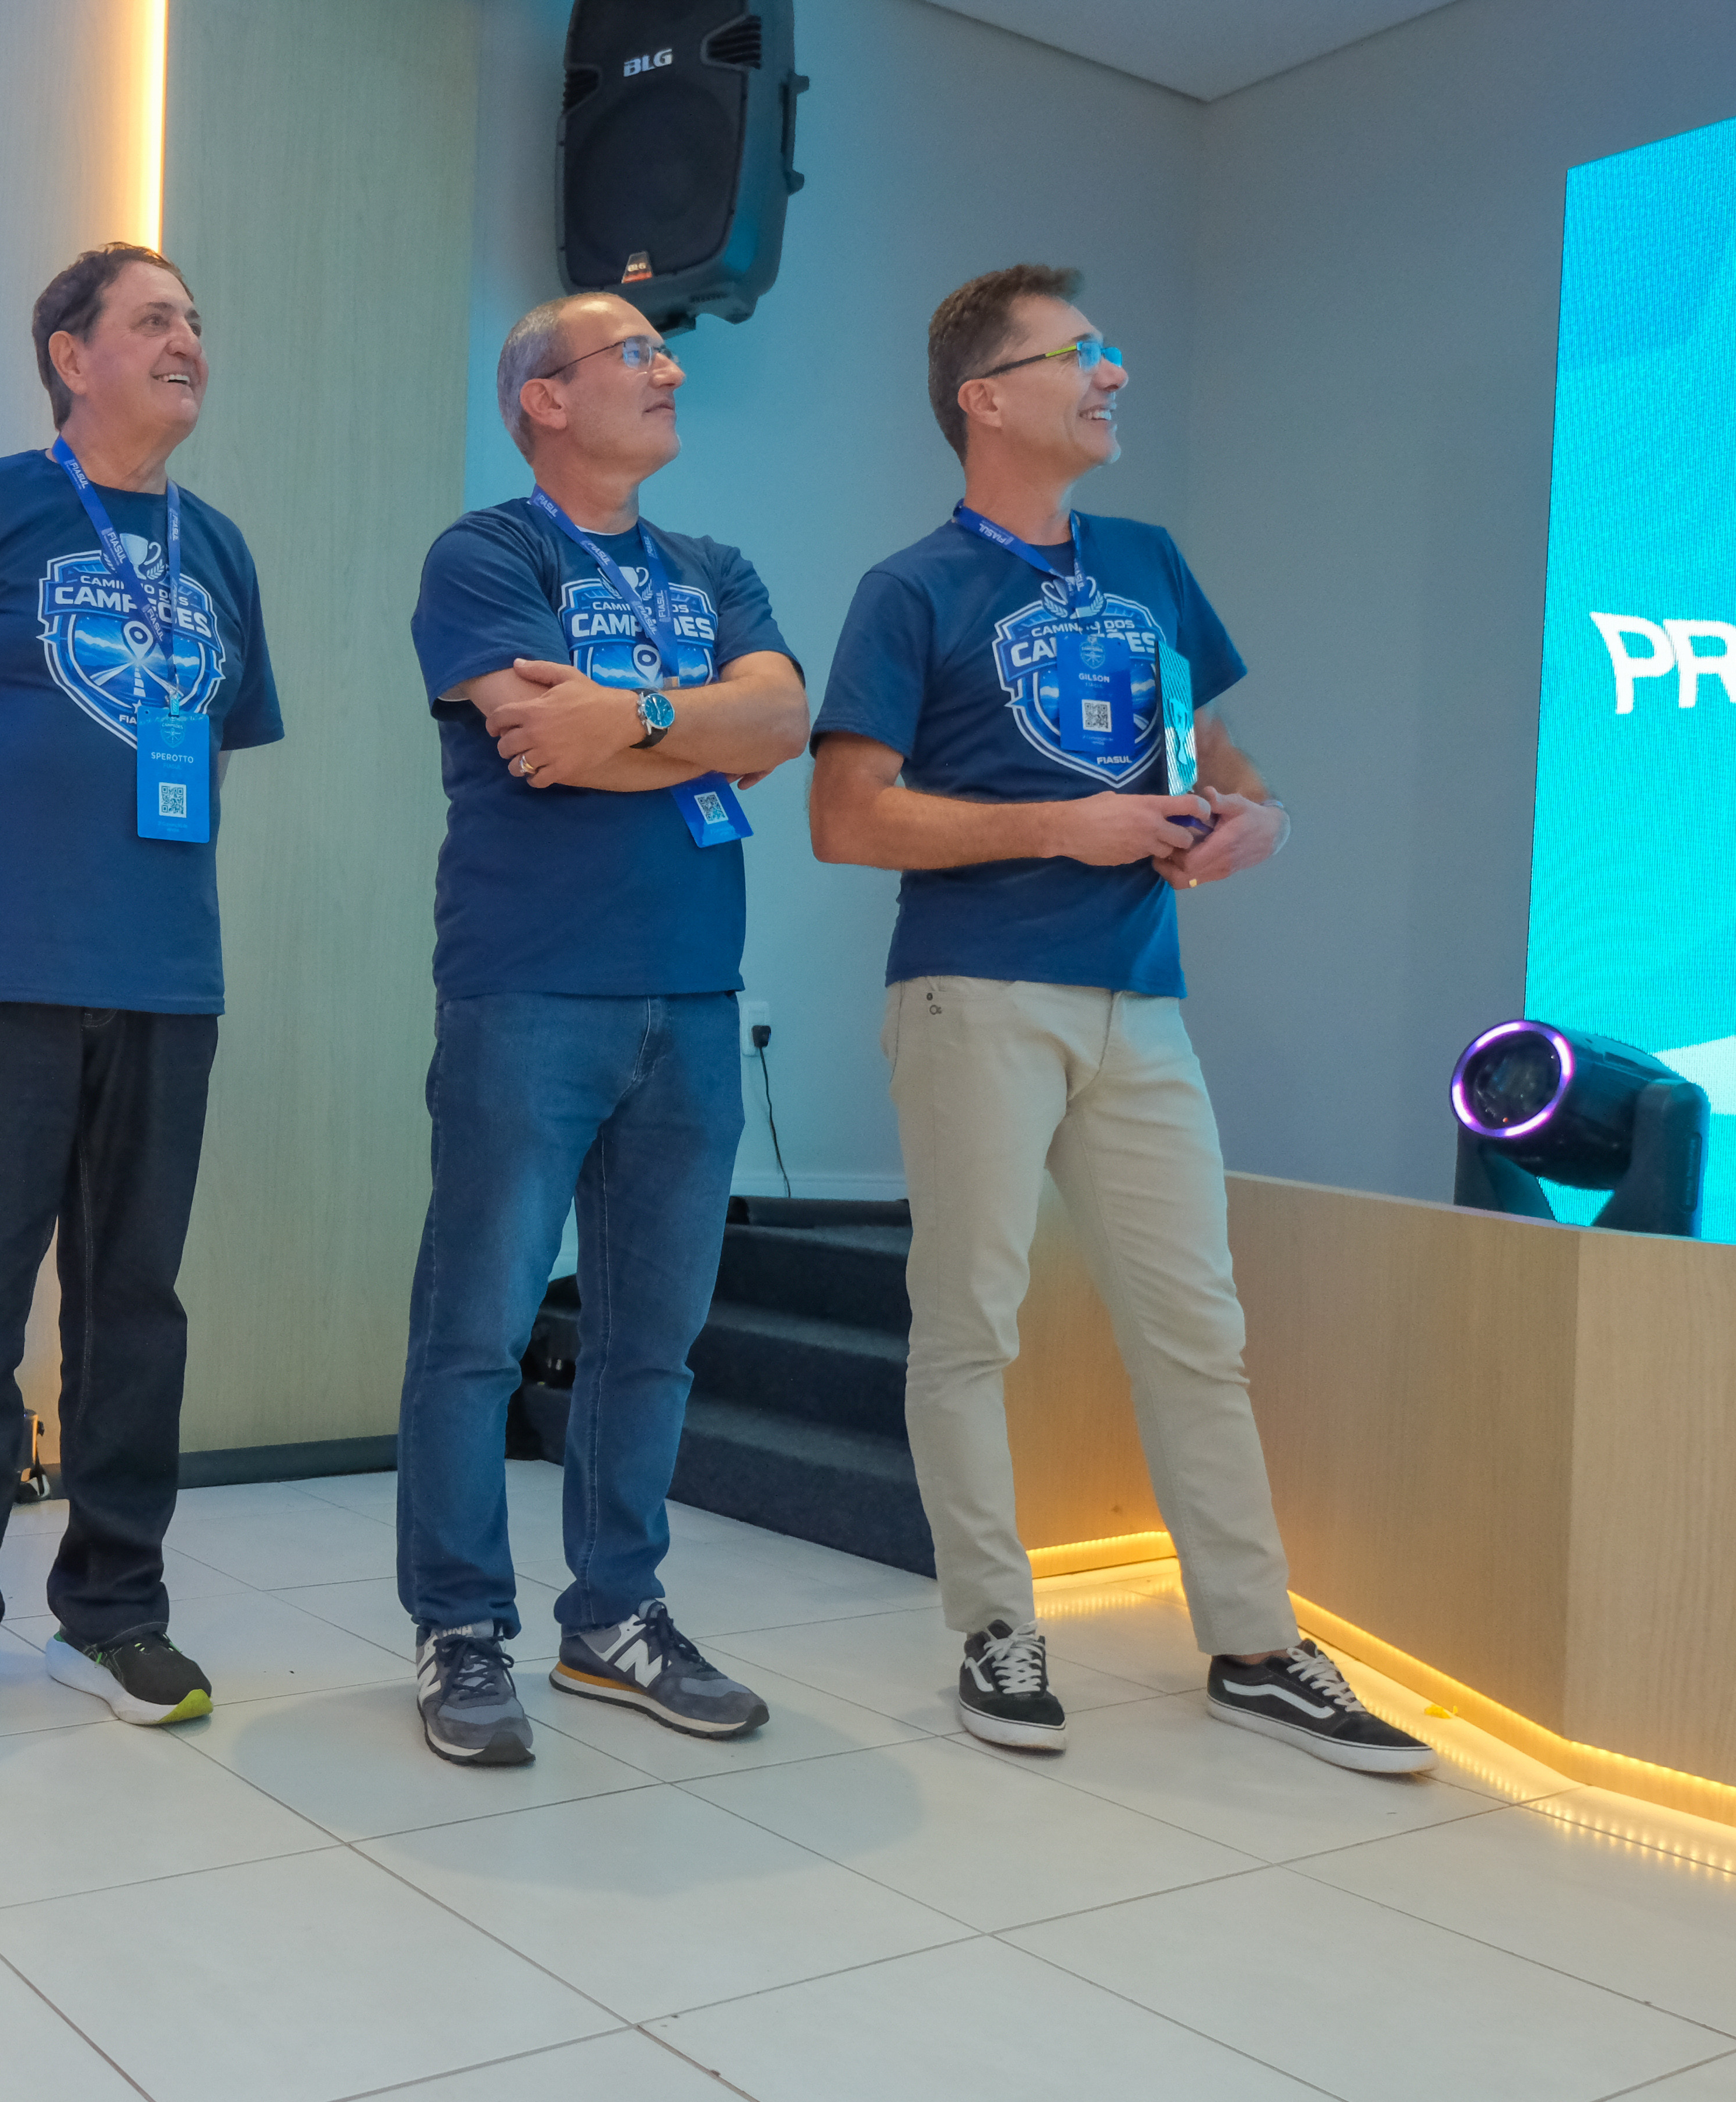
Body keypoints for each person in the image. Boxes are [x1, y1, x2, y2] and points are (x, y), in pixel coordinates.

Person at [808, 263, 1431, 1774]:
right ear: (986, 398)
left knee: (1199, 1333)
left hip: (1142, 999)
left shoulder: (1147, 560)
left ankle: (1256, 1646)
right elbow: (845, 816)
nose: (1113, 375)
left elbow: (1221, 755)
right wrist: (1060, 829)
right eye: (1079, 354)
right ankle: (994, 1627)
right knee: (970, 1324)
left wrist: (1262, 821)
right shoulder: (911, 588)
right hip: (975, 990)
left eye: (1111, 351)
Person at [0, 243, 282, 1744]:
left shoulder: (217, 547)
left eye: (195, 319)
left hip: (164, 983)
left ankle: (115, 1608)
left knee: (136, 1311)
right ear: (71, 358)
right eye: (153, 320)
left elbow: (205, 756)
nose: (187, 339)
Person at [393, 292, 807, 1767]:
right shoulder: (488, 554)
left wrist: (627, 721)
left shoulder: (717, 567)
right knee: (477, 1334)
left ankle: (616, 1618)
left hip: (693, 994)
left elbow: (782, 723)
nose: (668, 366)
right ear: (544, 398)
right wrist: (697, 728)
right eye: (634, 351)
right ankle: (460, 1628)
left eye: (662, 349)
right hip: (528, 990)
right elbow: (537, 744)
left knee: (655, 1342)